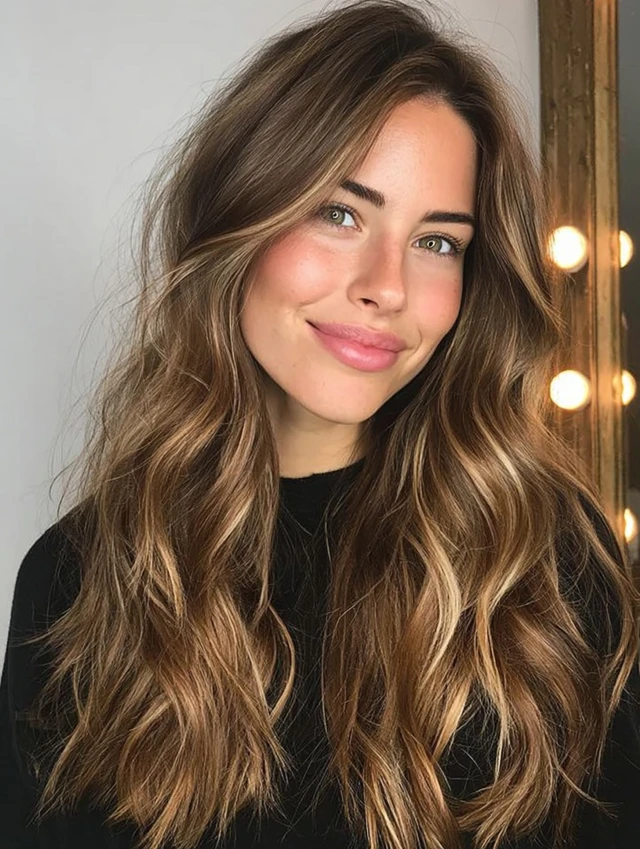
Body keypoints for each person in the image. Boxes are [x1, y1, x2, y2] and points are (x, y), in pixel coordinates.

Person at [1, 1, 639, 847]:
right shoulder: (77, 581)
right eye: (340, 213)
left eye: (438, 242)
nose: (388, 287)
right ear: (240, 216)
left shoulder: (549, 566)